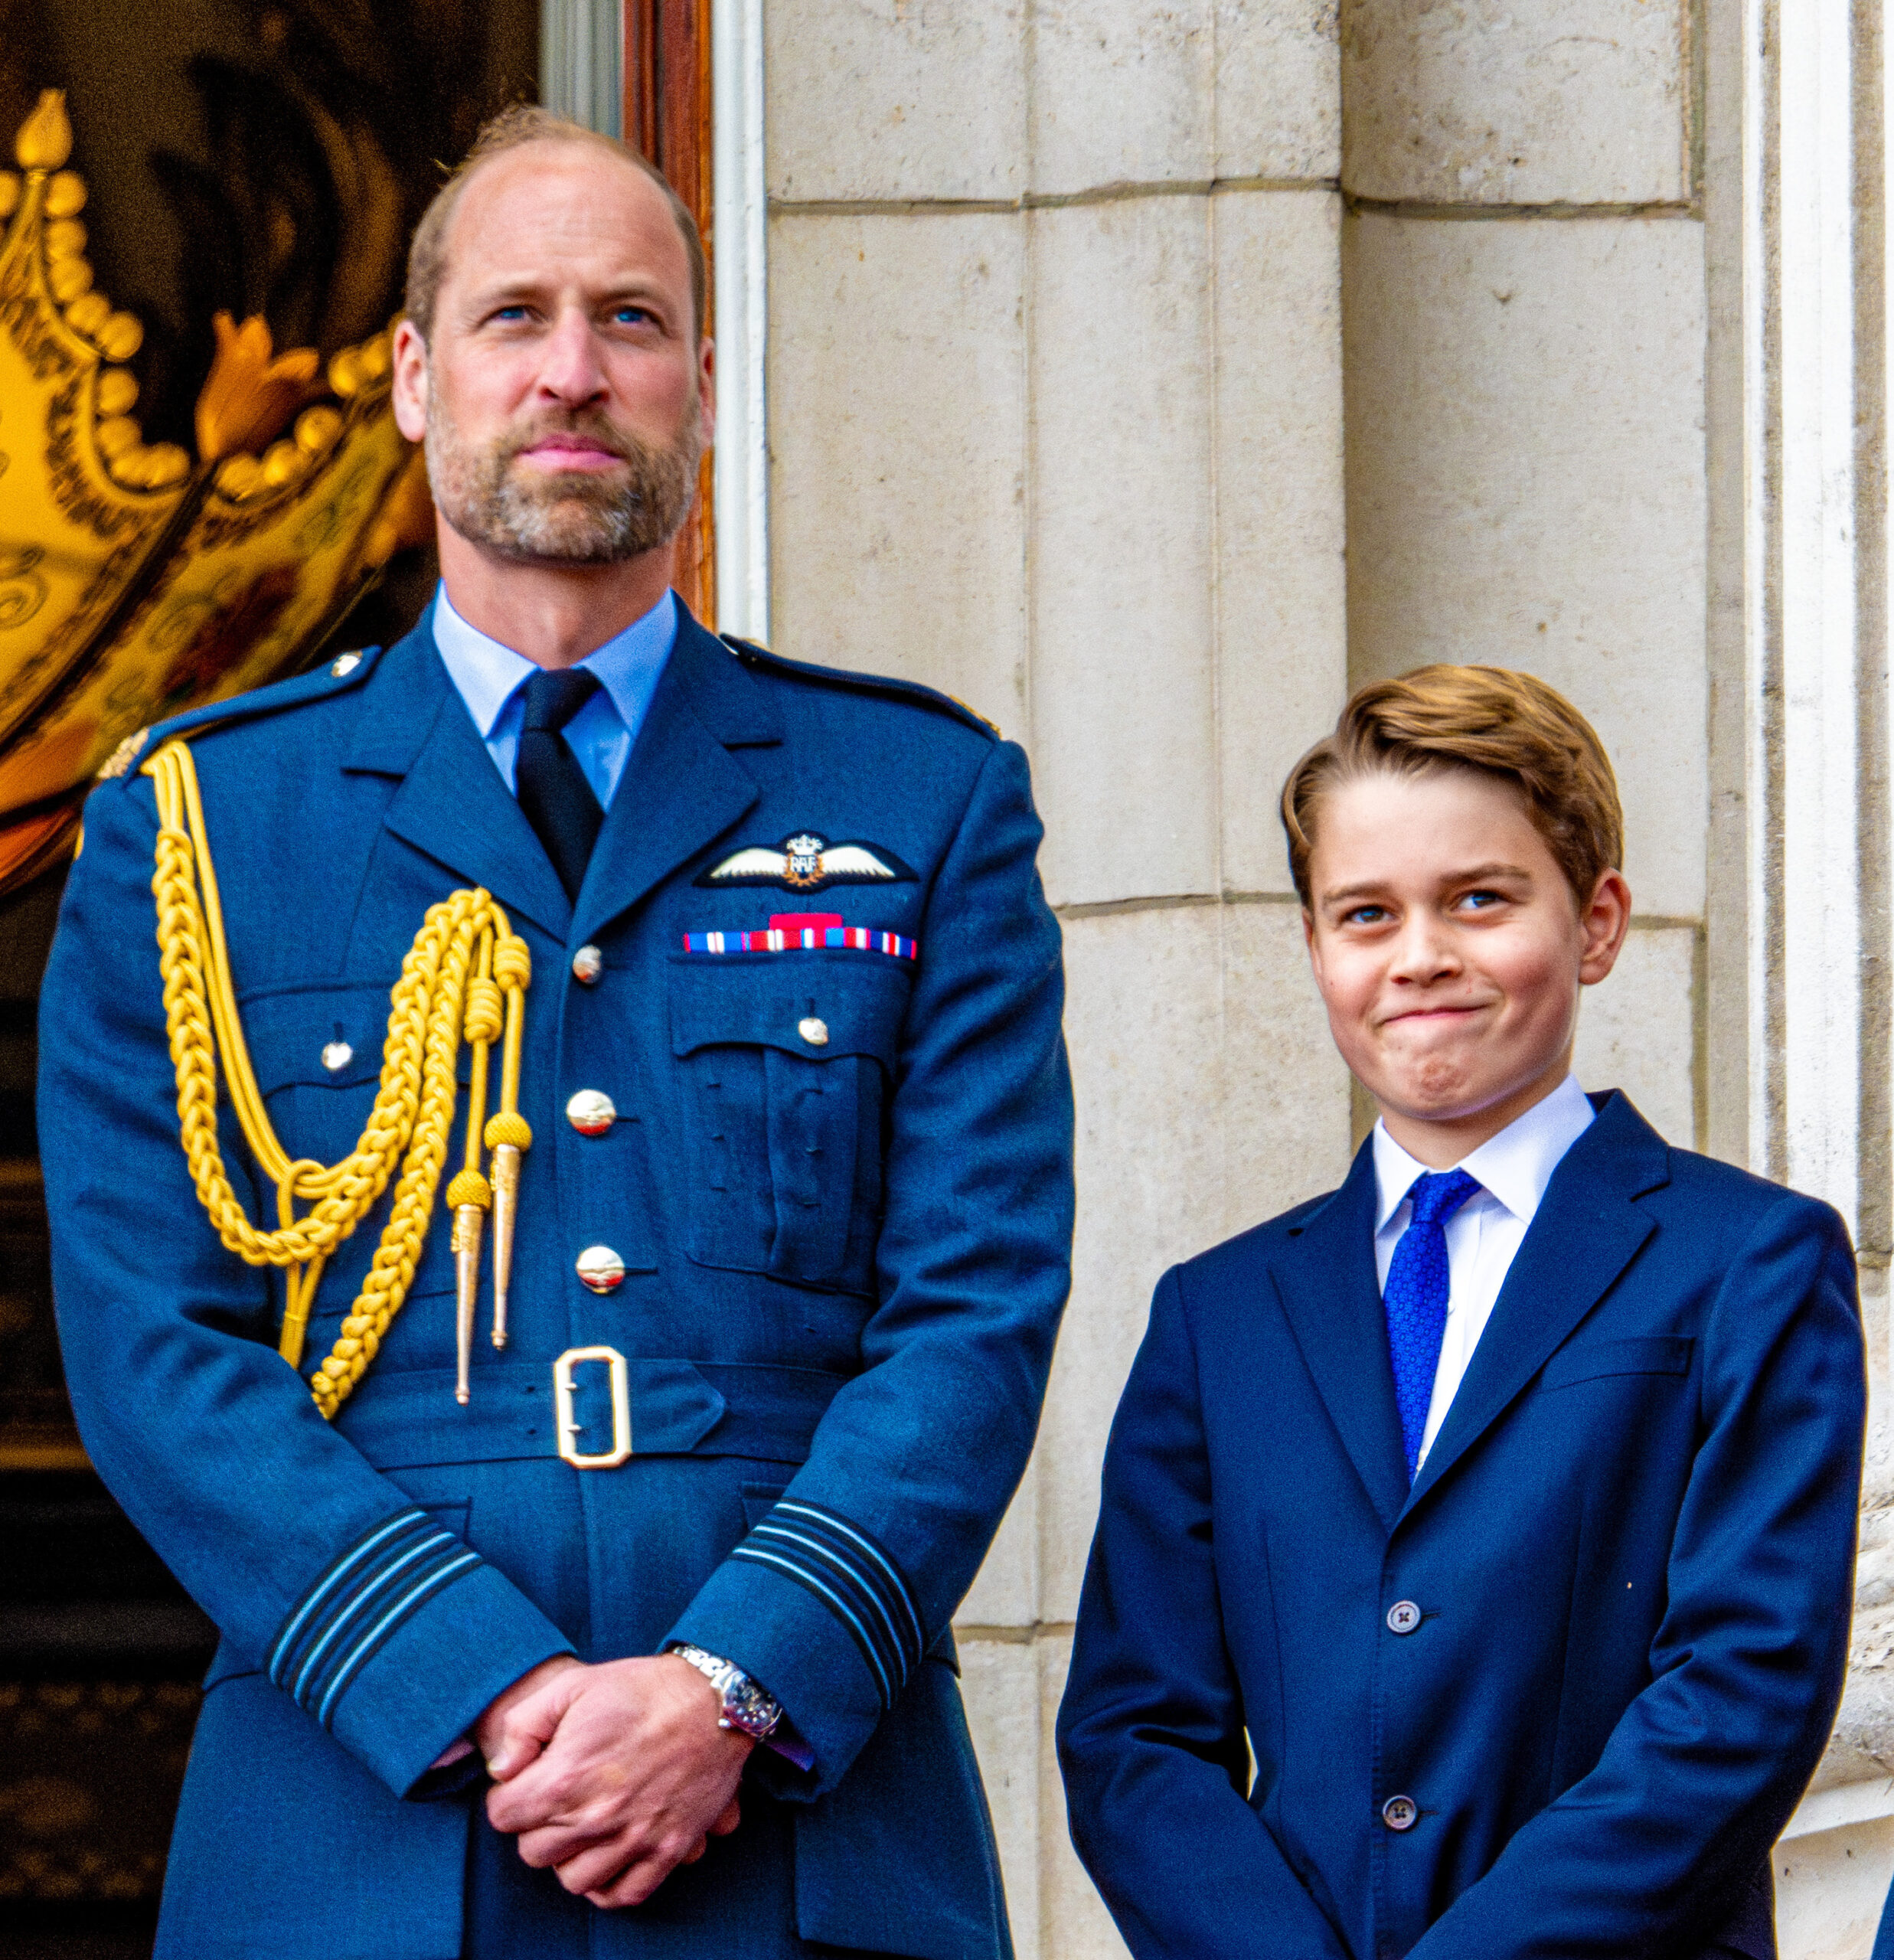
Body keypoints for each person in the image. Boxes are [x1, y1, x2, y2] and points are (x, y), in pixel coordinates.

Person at [39, 106, 1073, 1960]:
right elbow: (148, 1342)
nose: (574, 372)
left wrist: (732, 1687)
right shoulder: (202, 824)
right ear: (416, 381)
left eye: (632, 319)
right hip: (357, 1812)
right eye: (515, 318)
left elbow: (974, 1313)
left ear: (700, 376)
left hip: (798, 1814)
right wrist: (484, 1684)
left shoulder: (922, 797)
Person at [1056, 665, 1863, 1960]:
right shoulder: (1217, 1316)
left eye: (1478, 900)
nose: (1420, 956)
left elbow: (1740, 1689)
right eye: (1364, 913)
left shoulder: (1746, 1263)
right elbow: (1133, 1731)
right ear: (1315, 947)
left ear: (1595, 923)